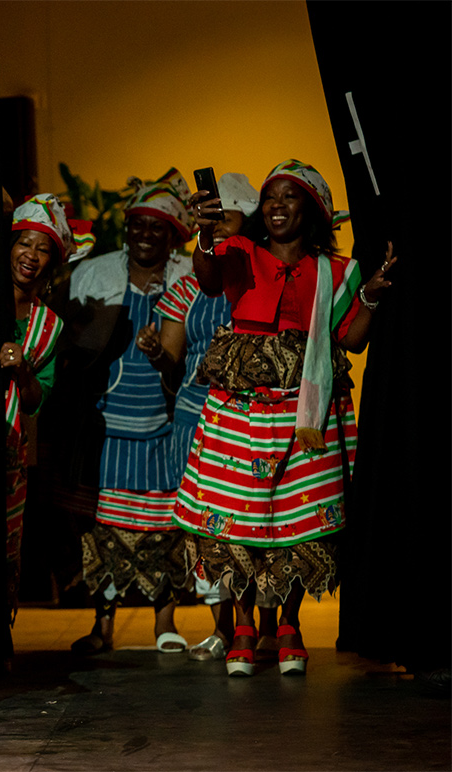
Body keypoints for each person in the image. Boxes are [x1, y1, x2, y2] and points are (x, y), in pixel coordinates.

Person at [174, 159, 394, 676]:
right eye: (269, 197)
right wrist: (205, 234)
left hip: (307, 416)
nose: (275, 206)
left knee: (299, 521)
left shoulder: (338, 271)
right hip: (241, 413)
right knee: (237, 519)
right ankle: (245, 627)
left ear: (313, 210)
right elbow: (207, 282)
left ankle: (290, 624)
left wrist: (370, 297)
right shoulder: (240, 252)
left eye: (289, 197)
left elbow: (352, 342)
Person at [136, 172, 280, 661]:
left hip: (255, 416)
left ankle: (269, 625)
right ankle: (226, 626)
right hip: (196, 417)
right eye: (211, 222)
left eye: (227, 221)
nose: (217, 229)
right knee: (211, 526)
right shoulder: (185, 289)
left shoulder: (263, 274)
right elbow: (173, 358)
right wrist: (157, 351)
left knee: (264, 519)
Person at [59, 170, 194, 655]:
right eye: (136, 224)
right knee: (104, 531)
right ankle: (103, 626)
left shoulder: (187, 278)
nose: (143, 234)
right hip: (107, 422)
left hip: (164, 420)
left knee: (163, 528)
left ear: (175, 235)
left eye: (156, 227)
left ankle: (164, 623)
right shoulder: (94, 274)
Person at [0, 194, 90, 619]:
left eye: (43, 250)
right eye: (25, 244)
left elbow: (37, 401)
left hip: (8, 448)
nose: (31, 257)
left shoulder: (48, 325)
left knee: (4, 543)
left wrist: (21, 371)